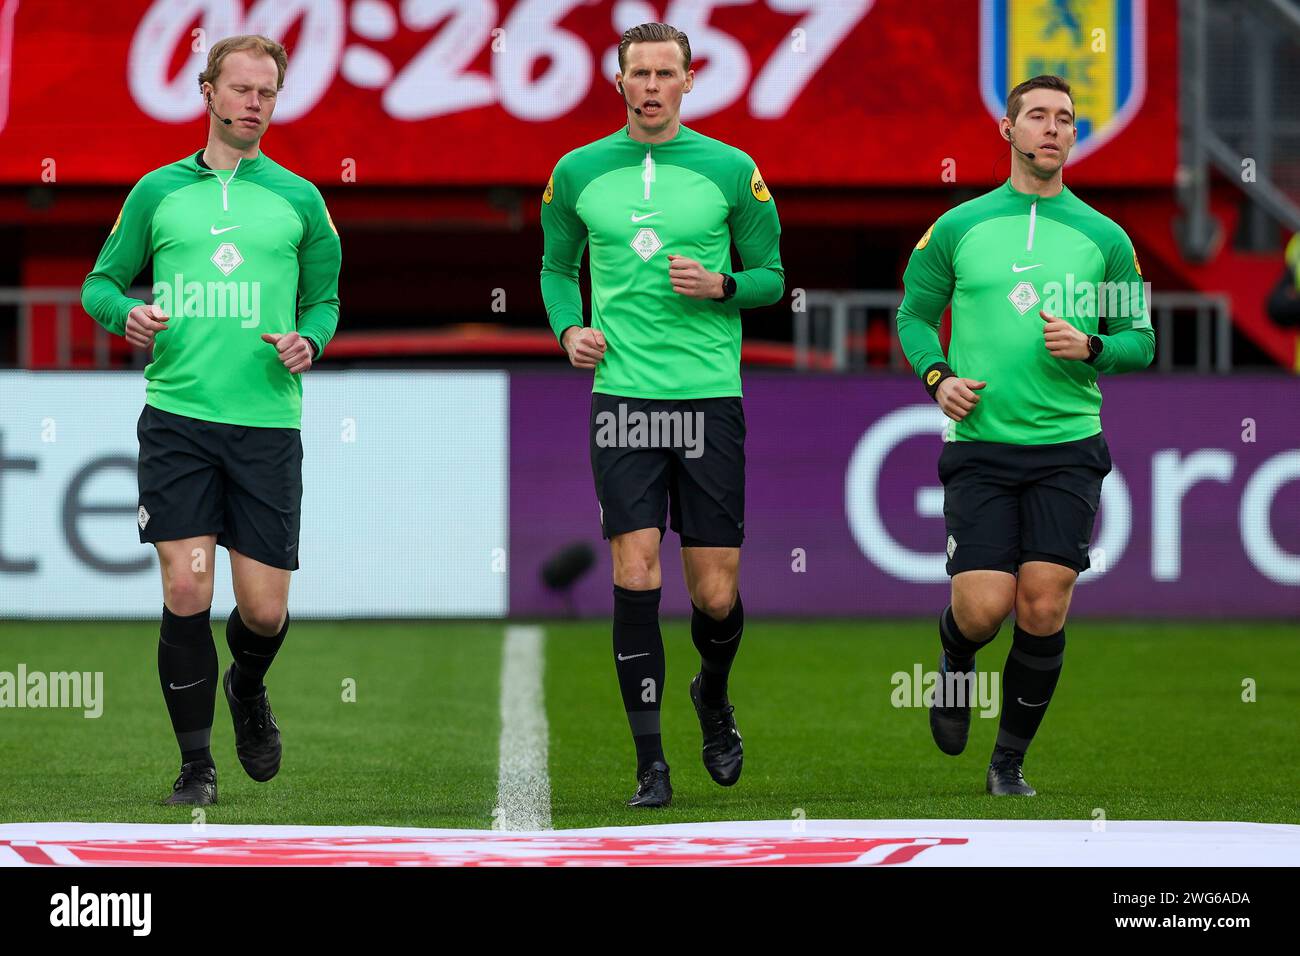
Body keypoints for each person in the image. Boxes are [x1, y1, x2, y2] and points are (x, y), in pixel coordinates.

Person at [81, 34, 341, 806]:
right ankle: (196, 768)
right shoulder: (157, 193)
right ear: (207, 90)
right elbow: (100, 283)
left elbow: (324, 298)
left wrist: (311, 338)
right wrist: (126, 312)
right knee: (187, 589)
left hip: (266, 425)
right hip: (178, 420)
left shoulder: (300, 200)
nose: (254, 104)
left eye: (267, 92)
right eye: (241, 89)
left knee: (263, 610)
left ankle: (248, 687)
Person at [540, 22, 784, 807]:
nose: (650, 86)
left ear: (687, 81)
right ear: (618, 82)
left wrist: (721, 287)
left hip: (709, 399)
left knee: (714, 595)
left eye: (664, 73)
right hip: (624, 399)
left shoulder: (730, 170)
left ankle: (711, 693)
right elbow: (553, 267)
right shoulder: (577, 172)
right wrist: (569, 327)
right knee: (634, 567)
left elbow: (773, 277)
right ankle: (650, 762)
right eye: (637, 73)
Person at [896, 74, 1154, 795]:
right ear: (1006, 130)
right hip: (980, 443)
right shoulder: (960, 227)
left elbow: (1140, 339)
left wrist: (1094, 348)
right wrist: (936, 376)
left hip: (1068, 444)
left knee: (1043, 602)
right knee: (982, 608)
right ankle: (954, 659)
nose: (1051, 127)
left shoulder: (1105, 238)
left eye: (1064, 119)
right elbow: (913, 316)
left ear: (1075, 136)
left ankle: (1007, 763)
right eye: (1035, 116)